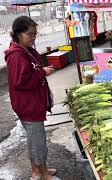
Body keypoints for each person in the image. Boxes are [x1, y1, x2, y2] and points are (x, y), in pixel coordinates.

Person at [4, 16, 60, 180]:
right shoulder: (17, 55)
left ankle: (37, 170)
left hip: (31, 104)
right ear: (17, 34)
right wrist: (42, 72)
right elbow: (21, 81)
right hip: (29, 106)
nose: (33, 38)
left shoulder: (25, 50)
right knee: (38, 142)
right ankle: (43, 174)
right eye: (30, 34)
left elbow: (29, 72)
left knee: (34, 140)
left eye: (35, 34)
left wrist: (40, 70)